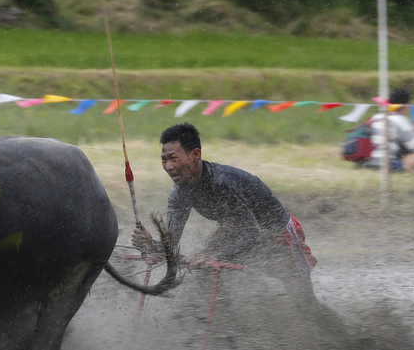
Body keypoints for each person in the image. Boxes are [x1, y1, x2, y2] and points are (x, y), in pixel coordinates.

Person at [132, 123, 317, 298]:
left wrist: (216, 256)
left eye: (174, 159)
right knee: (201, 266)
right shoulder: (179, 194)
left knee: (301, 296)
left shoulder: (222, 183)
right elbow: (170, 245)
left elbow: (252, 233)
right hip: (237, 230)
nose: (168, 167)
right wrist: (151, 246)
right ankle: (222, 321)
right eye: (164, 160)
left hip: (277, 232)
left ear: (196, 154)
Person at [366, 88, 414, 173]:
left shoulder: (376, 117)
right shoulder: (401, 120)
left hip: (366, 162)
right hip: (386, 164)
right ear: (405, 105)